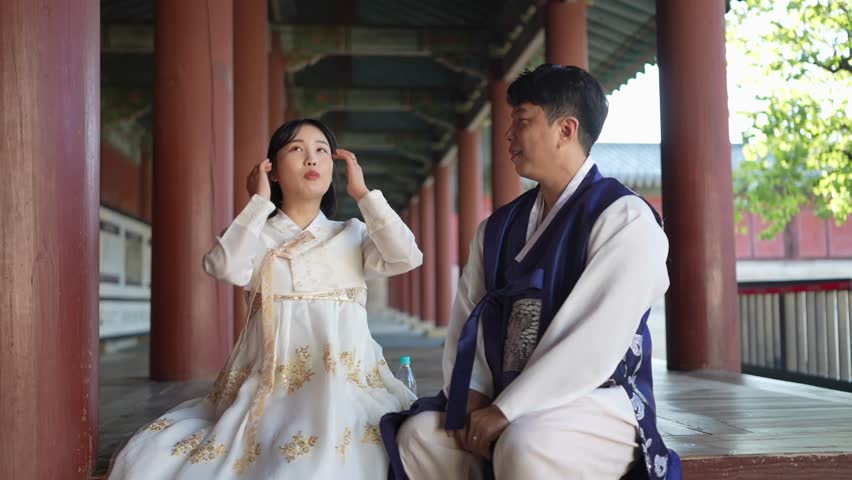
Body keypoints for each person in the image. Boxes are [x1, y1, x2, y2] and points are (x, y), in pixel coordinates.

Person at [381, 64, 681, 480]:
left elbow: (593, 341)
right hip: (503, 399)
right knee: (419, 437)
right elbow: (470, 319)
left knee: (525, 444)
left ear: (566, 129)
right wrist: (469, 397)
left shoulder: (623, 218)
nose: (508, 135)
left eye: (522, 121)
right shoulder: (498, 229)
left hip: (596, 399)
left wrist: (506, 410)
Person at [108, 118, 422, 479]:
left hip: (346, 387)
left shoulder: (353, 234)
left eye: (322, 151)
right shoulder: (257, 233)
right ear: (271, 171)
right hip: (272, 389)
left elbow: (407, 257)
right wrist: (257, 204)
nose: (311, 159)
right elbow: (224, 266)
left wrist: (365, 196)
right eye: (297, 149)